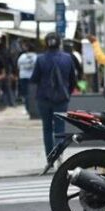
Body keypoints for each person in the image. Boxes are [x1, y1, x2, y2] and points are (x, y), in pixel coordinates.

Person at [30, 33, 76, 162]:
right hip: (62, 98)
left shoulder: (40, 59)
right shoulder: (68, 58)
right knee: (60, 128)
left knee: (47, 128)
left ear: (46, 43)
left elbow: (34, 78)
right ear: (59, 43)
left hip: (44, 98)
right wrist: (67, 92)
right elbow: (73, 79)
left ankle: (50, 158)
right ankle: (59, 155)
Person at [17, 42, 37, 113]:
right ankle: (33, 108)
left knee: (25, 94)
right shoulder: (36, 57)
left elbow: (18, 66)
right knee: (33, 94)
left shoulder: (22, 56)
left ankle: (27, 108)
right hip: (33, 77)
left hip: (23, 76)